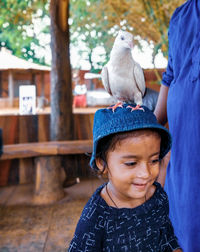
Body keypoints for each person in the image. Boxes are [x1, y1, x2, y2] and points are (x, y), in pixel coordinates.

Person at [68, 103, 182, 251]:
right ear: (102, 163)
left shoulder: (158, 197)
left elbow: (167, 239)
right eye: (131, 163)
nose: (146, 173)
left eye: (154, 160)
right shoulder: (95, 217)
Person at [154, 0, 200, 250]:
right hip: (184, 161)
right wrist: (147, 126)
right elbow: (170, 75)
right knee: (181, 235)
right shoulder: (180, 16)